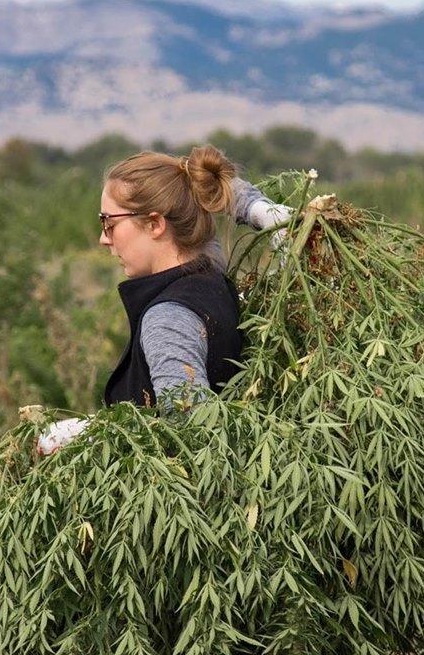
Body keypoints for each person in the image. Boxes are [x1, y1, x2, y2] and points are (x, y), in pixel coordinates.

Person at [36, 144, 291, 453]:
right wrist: (259, 210)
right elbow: (207, 184)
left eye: (109, 222)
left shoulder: (169, 318)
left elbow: (190, 429)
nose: (104, 238)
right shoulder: (209, 264)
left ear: (155, 224)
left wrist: (95, 434)